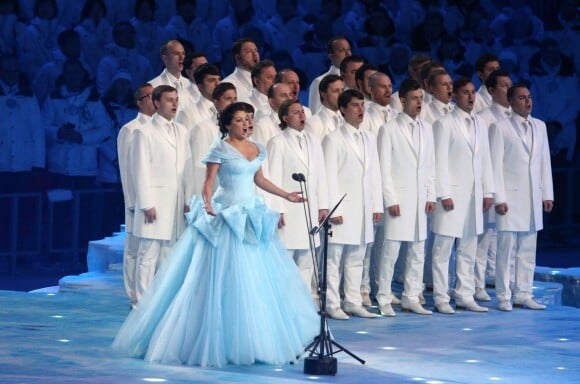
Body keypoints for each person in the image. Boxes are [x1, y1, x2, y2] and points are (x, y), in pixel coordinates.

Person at [112, 102, 319, 368]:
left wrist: (286, 195)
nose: (247, 124)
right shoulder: (220, 148)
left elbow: (260, 180)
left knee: (256, 278)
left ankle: (255, 336)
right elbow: (208, 182)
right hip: (226, 214)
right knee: (222, 276)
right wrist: (208, 204)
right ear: (228, 124)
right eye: (241, 119)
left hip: (249, 215)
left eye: (249, 119)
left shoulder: (257, 148)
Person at [430, 77, 494, 314]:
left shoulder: (479, 122)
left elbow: (485, 159)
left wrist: (488, 191)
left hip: (473, 196)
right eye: (465, 93)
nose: (470, 96)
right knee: (443, 249)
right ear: (455, 95)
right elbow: (439, 161)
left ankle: (465, 294)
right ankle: (440, 297)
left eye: (472, 92)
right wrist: (443, 193)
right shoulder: (444, 123)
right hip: (451, 196)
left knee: (468, 247)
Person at [489, 84, 554, 311]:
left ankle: (523, 293)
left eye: (529, 97)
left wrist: (547, 193)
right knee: (506, 250)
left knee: (528, 249)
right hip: (510, 198)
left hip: (532, 198)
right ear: (511, 101)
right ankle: (503, 295)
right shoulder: (500, 127)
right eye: (521, 98)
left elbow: (544, 161)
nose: (527, 102)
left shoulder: (540, 126)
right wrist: (499, 197)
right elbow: (494, 166)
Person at [130, 85, 195, 303]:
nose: (175, 104)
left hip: (175, 202)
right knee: (148, 254)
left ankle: (162, 300)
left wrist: (188, 199)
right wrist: (147, 203)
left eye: (176, 99)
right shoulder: (144, 131)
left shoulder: (182, 131)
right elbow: (140, 170)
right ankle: (141, 301)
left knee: (169, 253)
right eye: (169, 100)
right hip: (156, 202)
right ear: (157, 103)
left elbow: (187, 168)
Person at [376, 79, 436, 317]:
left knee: (418, 249)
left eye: (421, 98)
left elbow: (430, 165)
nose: (419, 102)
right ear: (402, 101)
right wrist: (390, 199)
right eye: (414, 98)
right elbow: (384, 167)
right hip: (399, 199)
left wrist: (431, 194)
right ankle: (383, 296)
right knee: (390, 250)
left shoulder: (426, 128)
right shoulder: (389, 129)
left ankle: (411, 296)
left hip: (420, 198)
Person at [322, 89, 383, 320]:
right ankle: (332, 303)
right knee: (334, 258)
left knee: (357, 257)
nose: (360, 110)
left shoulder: (368, 137)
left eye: (362, 105)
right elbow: (329, 175)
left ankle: (353, 301)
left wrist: (376, 204)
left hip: (363, 207)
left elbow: (374, 173)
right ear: (343, 109)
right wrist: (332, 208)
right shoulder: (333, 138)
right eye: (355, 105)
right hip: (342, 208)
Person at [267, 99, 329, 296]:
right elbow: (273, 177)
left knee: (308, 257)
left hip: (309, 209)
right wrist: (277, 210)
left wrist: (323, 206)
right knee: (286, 256)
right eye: (296, 112)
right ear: (285, 117)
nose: (302, 115)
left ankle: (304, 301)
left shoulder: (313, 140)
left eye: (302, 111)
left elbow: (320, 175)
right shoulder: (278, 142)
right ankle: (285, 301)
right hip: (289, 210)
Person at [117, 83, 156, 309]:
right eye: (149, 96)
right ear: (140, 101)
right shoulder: (130, 129)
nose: (153, 100)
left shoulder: (165, 128)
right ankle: (134, 295)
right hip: (137, 200)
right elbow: (127, 168)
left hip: (156, 199)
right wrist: (133, 201)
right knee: (134, 249)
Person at [475, 69, 513, 300]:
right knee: (483, 239)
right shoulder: (483, 118)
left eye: (510, 84)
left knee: (506, 238)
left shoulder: (514, 116)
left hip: (512, 188)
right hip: (489, 185)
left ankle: (504, 281)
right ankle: (477, 285)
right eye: (503, 85)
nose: (508, 89)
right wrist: (488, 189)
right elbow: (483, 159)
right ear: (491, 90)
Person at [148, 40, 195, 113]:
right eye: (176, 54)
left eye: (183, 53)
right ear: (165, 58)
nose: (181, 58)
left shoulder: (191, 85)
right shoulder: (152, 87)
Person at [307, 36, 351, 113]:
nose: (348, 54)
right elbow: (315, 114)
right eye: (341, 51)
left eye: (349, 49)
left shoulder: (358, 80)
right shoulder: (319, 82)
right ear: (331, 56)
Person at [305, 74, 344, 142]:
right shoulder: (312, 124)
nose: (341, 95)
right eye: (336, 91)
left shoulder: (348, 119)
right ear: (323, 94)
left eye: (342, 90)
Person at [221, 37, 260, 102]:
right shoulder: (227, 84)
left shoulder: (264, 79)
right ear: (238, 58)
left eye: (256, 50)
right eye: (248, 52)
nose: (254, 54)